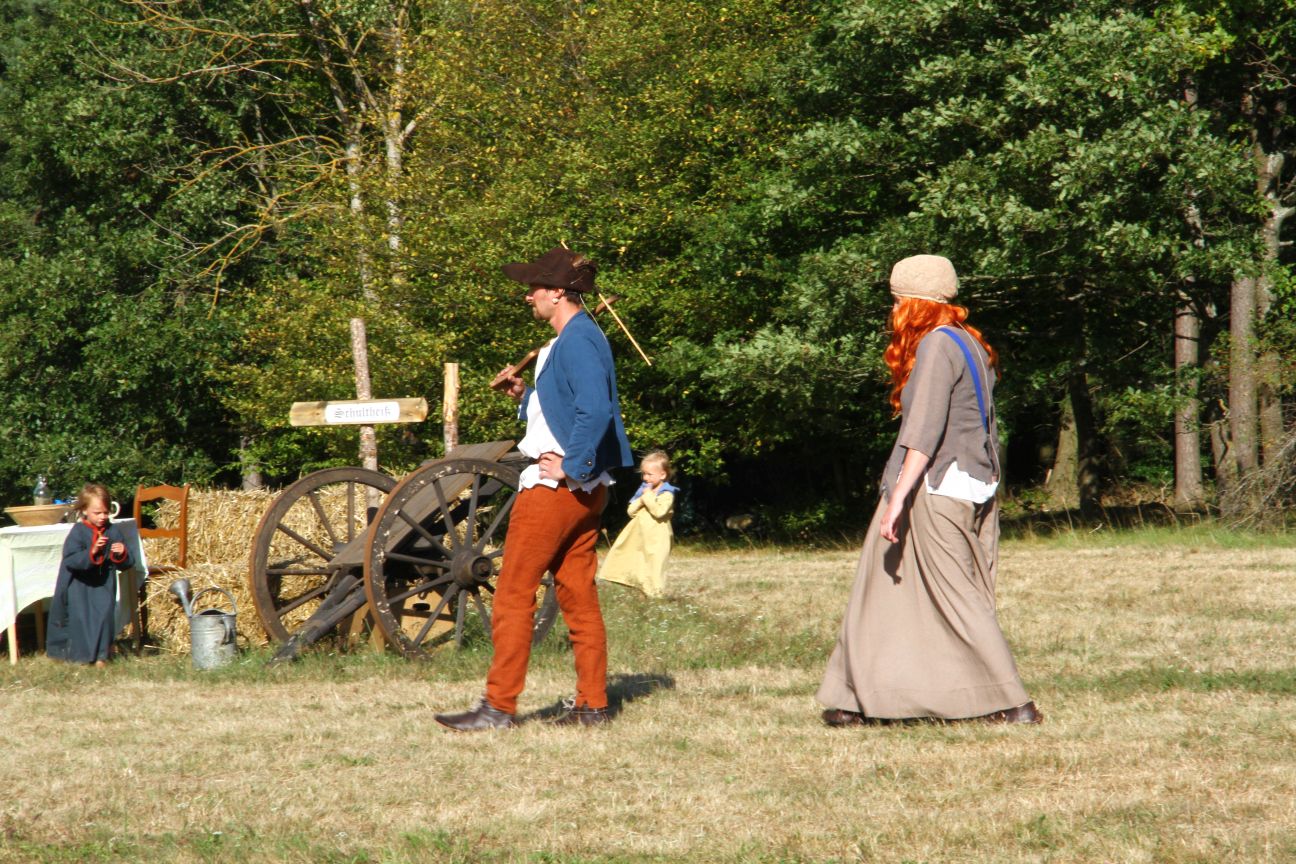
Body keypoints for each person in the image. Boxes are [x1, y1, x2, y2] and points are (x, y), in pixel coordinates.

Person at [817, 254, 1041, 726]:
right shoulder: (971, 342)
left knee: (957, 597)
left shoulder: (938, 345)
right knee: (883, 588)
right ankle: (855, 699)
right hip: (969, 482)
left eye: (897, 301)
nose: (893, 311)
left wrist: (897, 499)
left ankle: (1012, 703)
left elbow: (923, 432)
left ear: (914, 303)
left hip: (936, 487)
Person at [435, 245, 634, 731]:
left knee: (512, 595)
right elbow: (566, 408)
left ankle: (498, 707)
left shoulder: (579, 339)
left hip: (555, 492)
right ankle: (592, 705)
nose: (529, 297)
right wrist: (525, 396)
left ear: (559, 293)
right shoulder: (573, 338)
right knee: (578, 596)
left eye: (535, 288)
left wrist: (572, 465)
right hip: (581, 490)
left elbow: (596, 410)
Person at [45, 483, 134, 667]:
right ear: (84, 510)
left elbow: (127, 563)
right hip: (79, 586)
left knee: (104, 617)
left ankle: (102, 656)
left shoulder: (113, 531)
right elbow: (71, 559)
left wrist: (121, 553)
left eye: (106, 512)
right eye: (97, 513)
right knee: (81, 620)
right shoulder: (78, 532)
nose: (102, 517)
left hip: (103, 585)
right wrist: (92, 551)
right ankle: (81, 657)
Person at [599, 450, 677, 597]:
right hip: (640, 534)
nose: (645, 478)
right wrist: (641, 499)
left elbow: (659, 512)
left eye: (649, 474)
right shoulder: (643, 491)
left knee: (655, 564)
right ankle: (640, 589)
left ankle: (656, 595)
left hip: (658, 536)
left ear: (662, 475)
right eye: (644, 474)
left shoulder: (667, 493)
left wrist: (647, 497)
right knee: (638, 561)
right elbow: (631, 511)